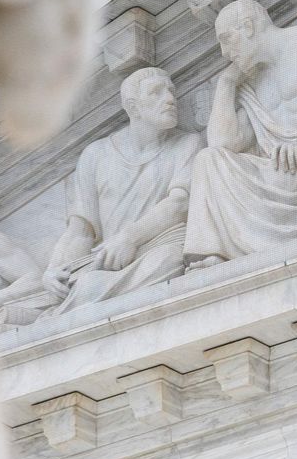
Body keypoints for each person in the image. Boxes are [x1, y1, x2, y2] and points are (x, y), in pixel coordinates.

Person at [184, 0, 297, 264]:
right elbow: (223, 143)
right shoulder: (251, 80)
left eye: (227, 40)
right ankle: (217, 253)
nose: (225, 53)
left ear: (248, 27)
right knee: (207, 160)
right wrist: (226, 84)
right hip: (278, 171)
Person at [45, 67, 201, 310]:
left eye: (171, 91)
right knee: (85, 284)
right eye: (156, 93)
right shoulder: (95, 155)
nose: (170, 99)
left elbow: (179, 204)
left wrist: (128, 239)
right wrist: (55, 269)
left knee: (168, 260)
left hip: (157, 249)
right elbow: (81, 231)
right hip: (108, 262)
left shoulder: (187, 144)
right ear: (133, 107)